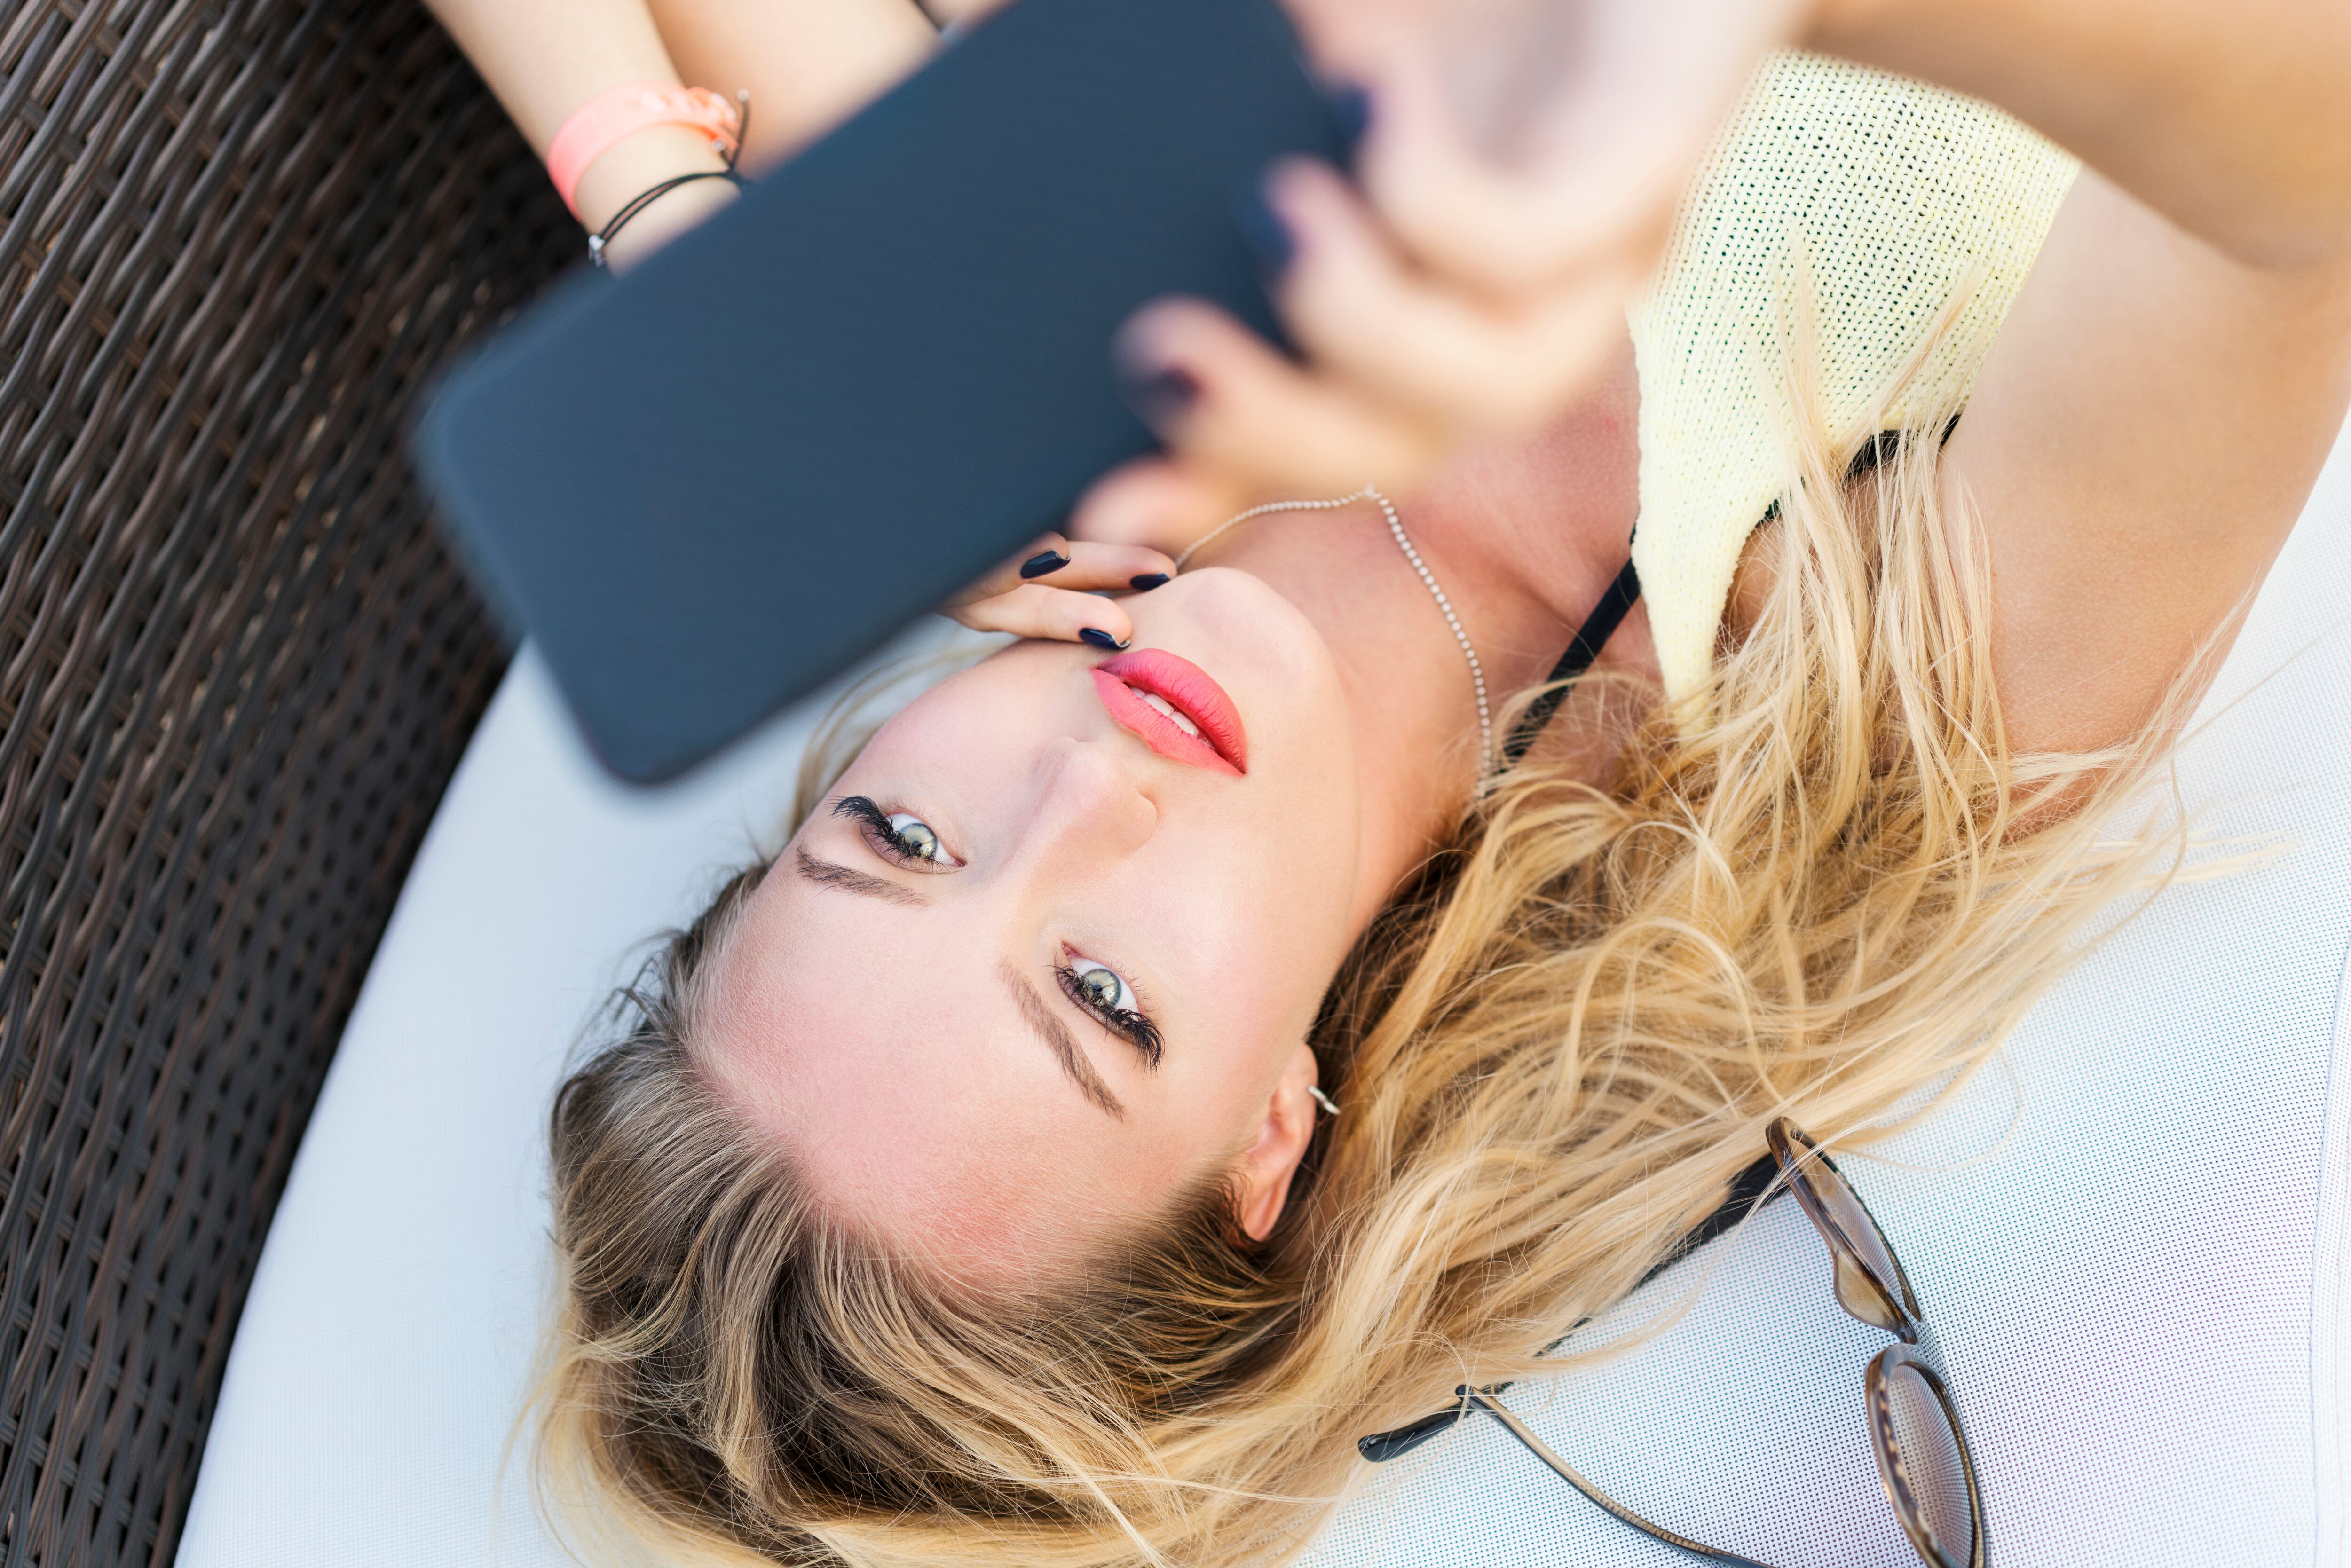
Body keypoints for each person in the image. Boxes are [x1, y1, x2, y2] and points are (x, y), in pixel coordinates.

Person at [416, 0, 2351, 1561]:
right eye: (1100, 996)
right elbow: (2301, 165)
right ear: (1270, 1137)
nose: (1086, 792)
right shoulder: (1816, 752)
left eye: (902, 839)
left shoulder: (1047, 349)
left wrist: (670, 211)